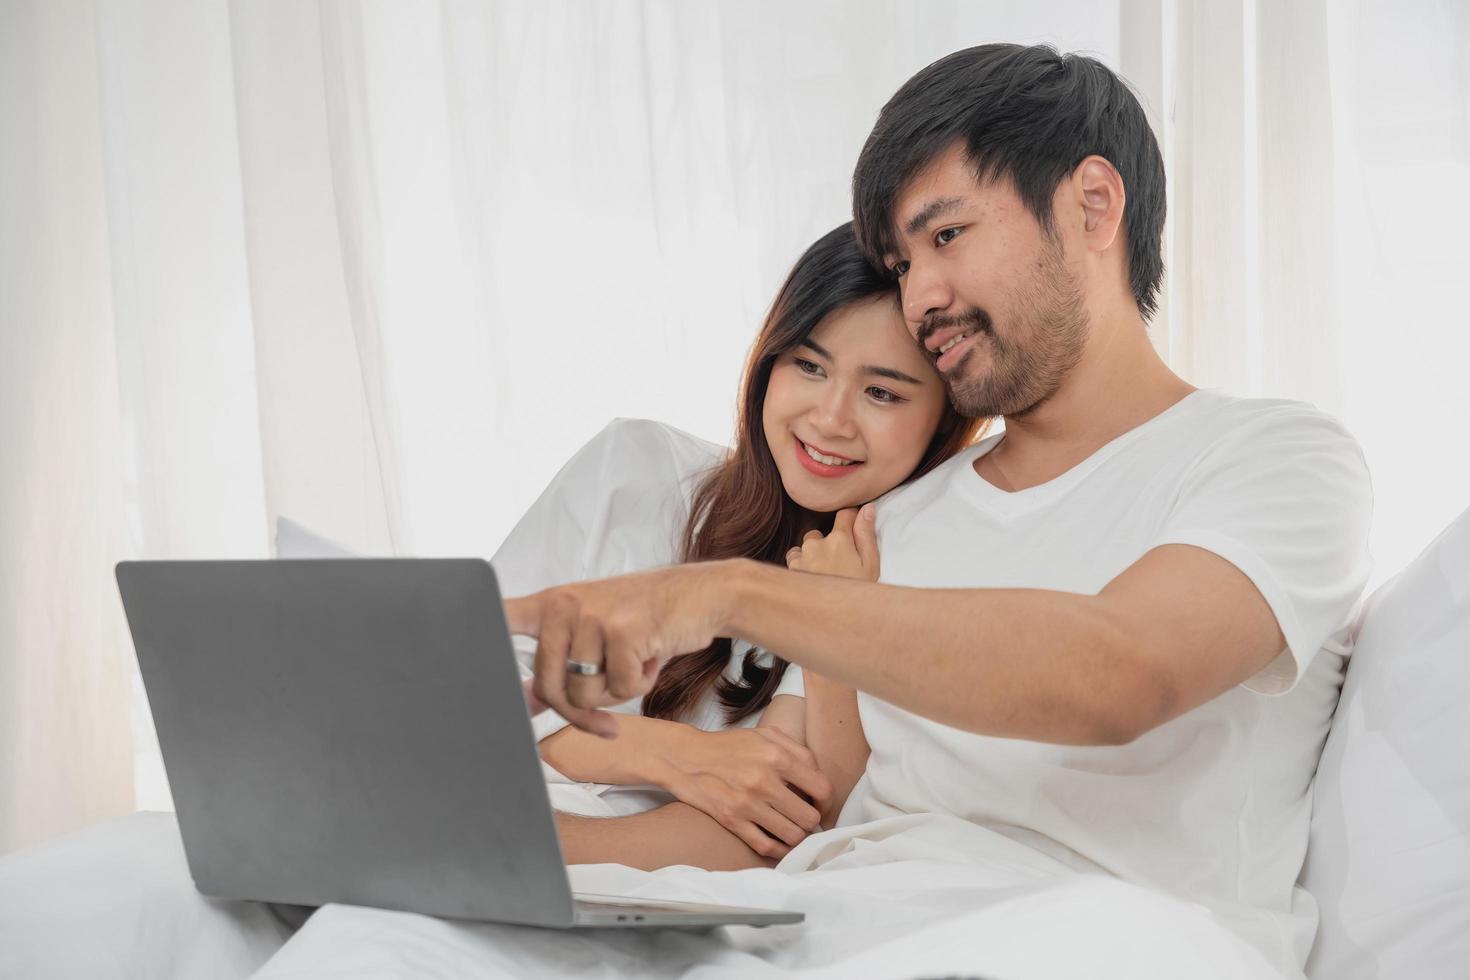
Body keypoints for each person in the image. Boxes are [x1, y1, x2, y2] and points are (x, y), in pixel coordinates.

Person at [512, 42, 1373, 976]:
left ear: (1093, 203)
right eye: (900, 259)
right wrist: (479, 854)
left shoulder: (1276, 458)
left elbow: (1122, 674)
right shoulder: (890, 523)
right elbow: (787, 814)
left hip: (1098, 938)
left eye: (946, 236)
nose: (920, 295)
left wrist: (730, 593)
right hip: (825, 926)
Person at [491, 221, 986, 862]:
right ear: (768, 365)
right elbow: (466, 685)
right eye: (809, 365)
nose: (829, 420)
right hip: (468, 806)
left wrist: (834, 622)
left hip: (566, 864)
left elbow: (800, 824)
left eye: (882, 392)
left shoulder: (886, 570)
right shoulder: (635, 468)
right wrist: (681, 756)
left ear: (945, 420)